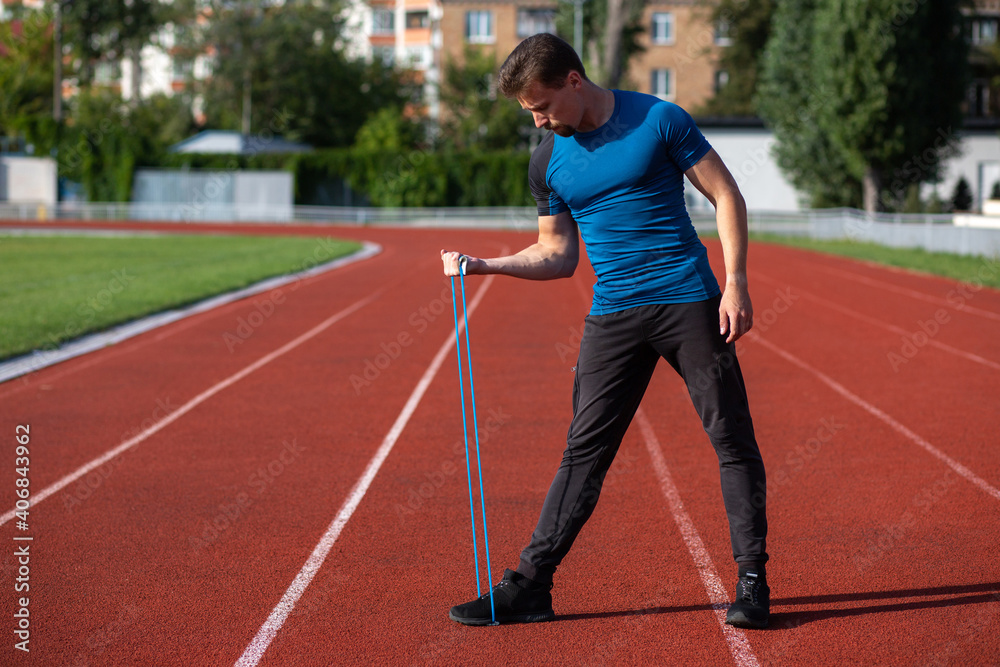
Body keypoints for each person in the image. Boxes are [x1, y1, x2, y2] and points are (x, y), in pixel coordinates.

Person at [440, 33, 770, 629]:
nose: (539, 120)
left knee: (731, 439)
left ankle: (752, 582)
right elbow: (557, 255)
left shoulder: (661, 119)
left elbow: (725, 194)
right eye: (530, 113)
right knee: (583, 452)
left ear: (573, 80)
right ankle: (530, 587)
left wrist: (736, 282)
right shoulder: (548, 159)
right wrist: (487, 265)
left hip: (688, 301)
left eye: (542, 107)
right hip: (614, 314)